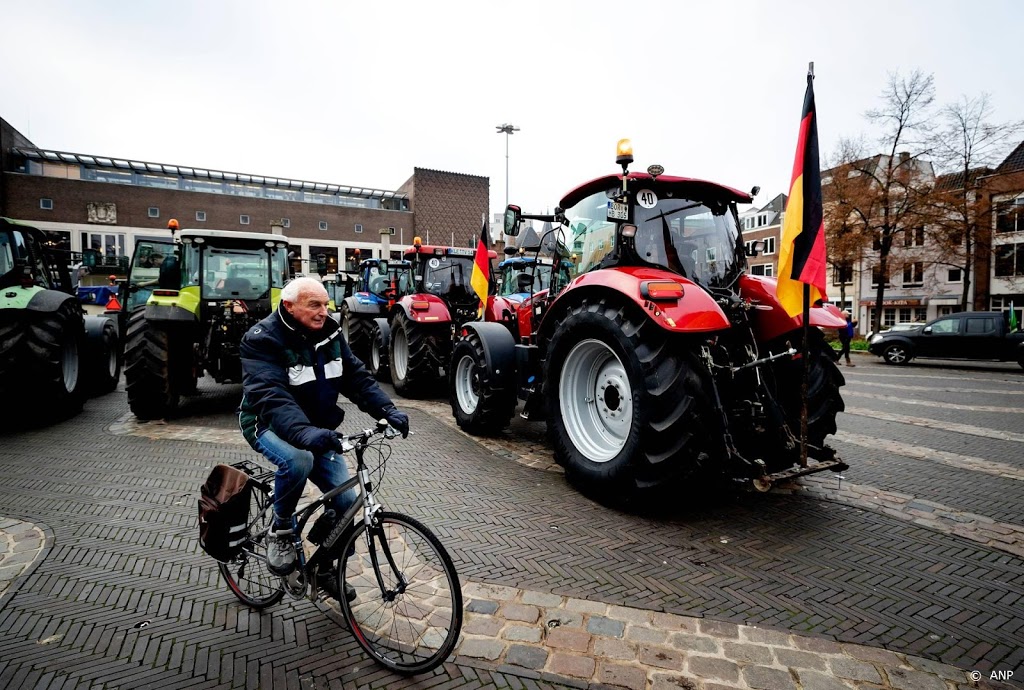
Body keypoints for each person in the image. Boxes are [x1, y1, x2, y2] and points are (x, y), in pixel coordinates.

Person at [238, 277, 409, 593]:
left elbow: (356, 378)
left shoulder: (330, 333)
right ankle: (281, 531)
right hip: (269, 424)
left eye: (326, 305)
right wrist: (306, 433)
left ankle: (324, 567)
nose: (323, 312)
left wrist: (388, 411)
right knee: (298, 460)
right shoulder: (262, 339)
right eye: (314, 304)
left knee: (347, 503)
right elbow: (270, 394)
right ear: (289, 306)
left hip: (316, 429)